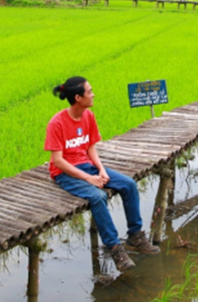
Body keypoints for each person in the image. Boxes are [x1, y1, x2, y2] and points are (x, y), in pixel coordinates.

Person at [45, 76, 160, 271]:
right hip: (65, 173)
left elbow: (91, 148)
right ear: (78, 98)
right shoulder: (57, 123)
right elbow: (58, 161)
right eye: (89, 91)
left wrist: (101, 170)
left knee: (129, 184)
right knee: (98, 197)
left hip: (88, 166)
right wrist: (89, 178)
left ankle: (135, 235)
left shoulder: (88, 116)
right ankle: (115, 248)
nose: (93, 94)